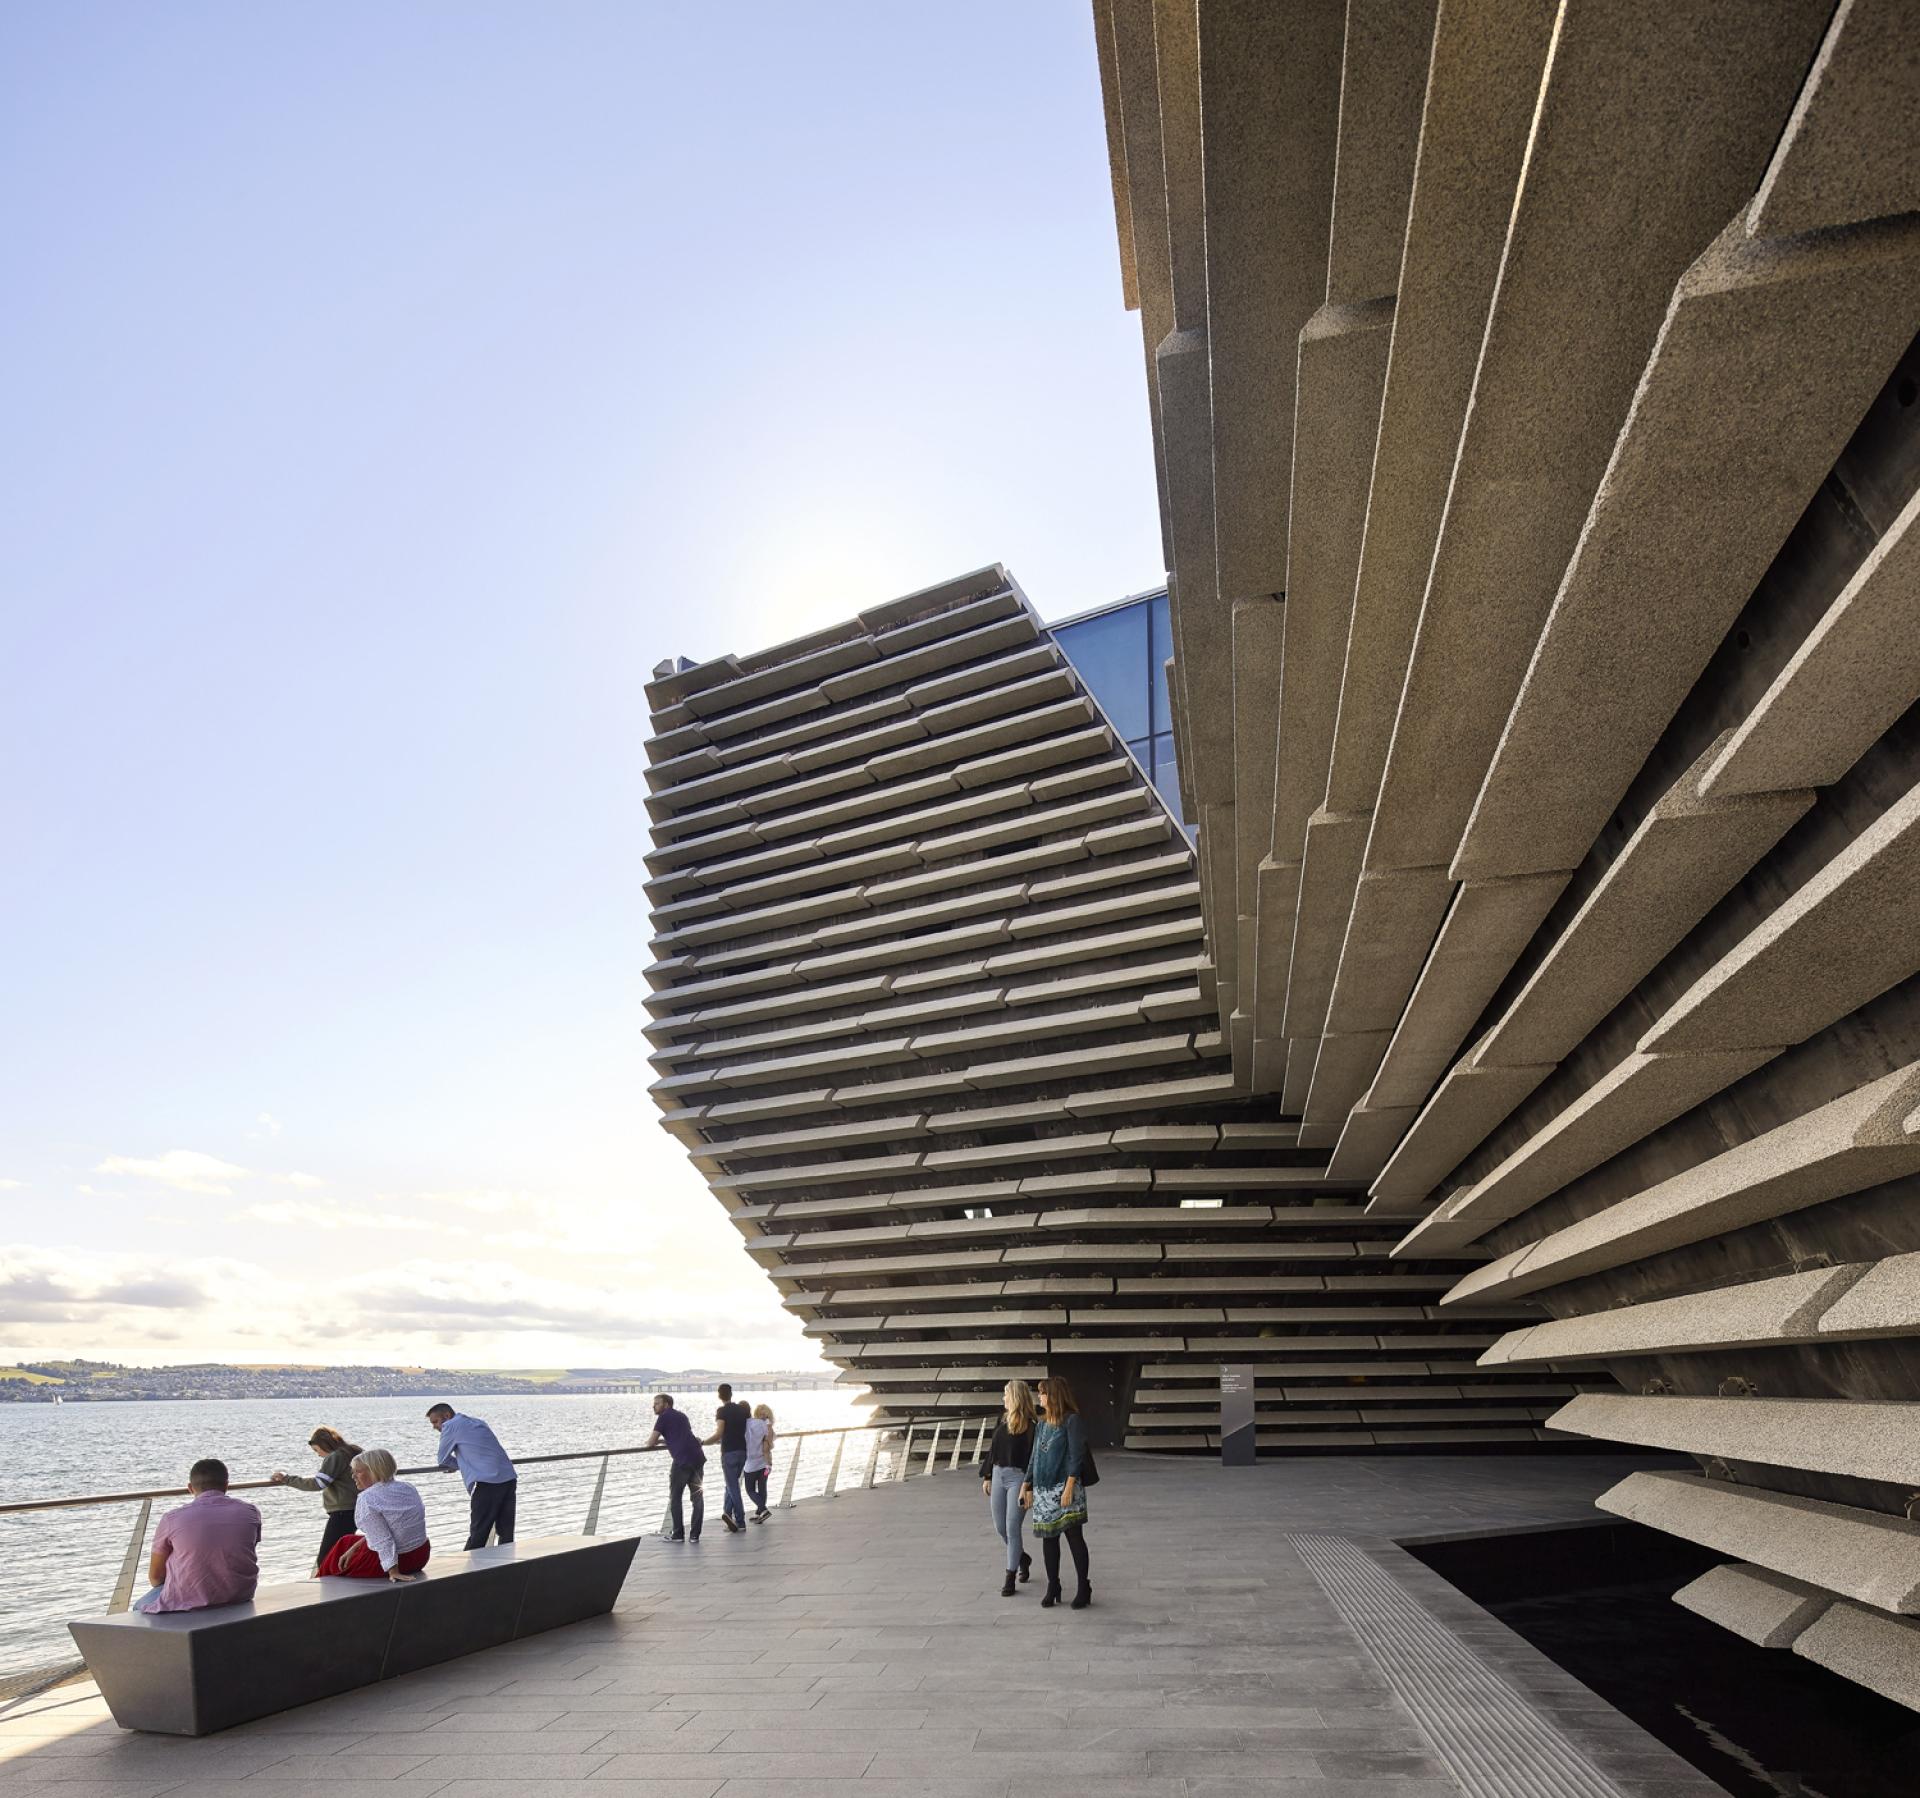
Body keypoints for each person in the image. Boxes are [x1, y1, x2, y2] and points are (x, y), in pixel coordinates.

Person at [132, 1458, 261, 1613]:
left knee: (138, 1608)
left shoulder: (172, 1519)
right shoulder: (250, 1512)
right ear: (226, 1485)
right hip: (240, 1595)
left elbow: (156, 1577)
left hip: (189, 1601)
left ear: (190, 1488)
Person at [1021, 1375, 1091, 1610]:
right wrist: (1026, 1485)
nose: (1039, 1397)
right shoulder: (1041, 1424)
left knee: (1074, 1537)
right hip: (1043, 1491)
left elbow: (1076, 1455)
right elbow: (1034, 1457)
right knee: (1049, 1539)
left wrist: (1069, 1486)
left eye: (1042, 1393)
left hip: (1066, 1489)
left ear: (1053, 1396)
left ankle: (1083, 1587)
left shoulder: (1071, 1420)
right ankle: (1053, 1585)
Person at [315, 1448, 430, 1580]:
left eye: (358, 1471)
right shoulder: (408, 1487)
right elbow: (395, 1529)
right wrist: (354, 1548)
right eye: (353, 1472)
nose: (353, 1476)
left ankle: (321, 1583)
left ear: (375, 1471)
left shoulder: (368, 1498)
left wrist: (393, 1572)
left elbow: (383, 1539)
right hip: (420, 1555)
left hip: (399, 1561)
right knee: (346, 1541)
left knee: (334, 1564)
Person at [426, 1402, 517, 1550]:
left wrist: (459, 1465)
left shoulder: (450, 1426)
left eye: (435, 1422)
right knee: (506, 1533)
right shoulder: (477, 1422)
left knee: (478, 1533)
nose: (434, 1427)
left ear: (447, 1416)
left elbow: (443, 1459)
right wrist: (465, 1464)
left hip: (488, 1483)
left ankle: (468, 1565)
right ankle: (507, 1563)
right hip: (508, 1477)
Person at [270, 1426, 362, 1571]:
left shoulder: (335, 1457)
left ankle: (330, 1581)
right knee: (343, 1551)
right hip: (360, 1506)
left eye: (316, 1450)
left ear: (324, 1445)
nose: (318, 1455)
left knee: (326, 1556)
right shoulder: (354, 1451)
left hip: (343, 1511)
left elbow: (318, 1483)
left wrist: (287, 1479)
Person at [978, 1379, 1035, 1596]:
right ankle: (1022, 1558)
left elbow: (1033, 1459)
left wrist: (1029, 1486)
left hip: (1018, 1479)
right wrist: (987, 1476)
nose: (1003, 1398)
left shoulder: (1031, 1426)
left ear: (1015, 1397)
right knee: (1000, 1528)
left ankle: (1010, 1577)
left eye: (1006, 1394)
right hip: (998, 1475)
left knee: (1012, 1528)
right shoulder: (1002, 1420)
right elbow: (993, 1450)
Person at [643, 1392, 705, 1542]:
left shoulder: (663, 1417)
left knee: (675, 1498)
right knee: (697, 1498)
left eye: (657, 1403)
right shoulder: (682, 1416)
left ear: (666, 1404)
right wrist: (666, 1441)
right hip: (697, 1457)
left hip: (682, 1461)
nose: (653, 1406)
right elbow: (682, 1436)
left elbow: (650, 1442)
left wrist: (652, 1442)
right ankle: (694, 1535)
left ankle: (678, 1534)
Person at [705, 1382, 752, 1534]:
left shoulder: (722, 1411)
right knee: (730, 1485)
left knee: (733, 1487)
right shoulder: (742, 1410)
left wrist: (704, 1442)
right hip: (742, 1451)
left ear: (719, 1395)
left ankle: (740, 1521)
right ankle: (728, 1516)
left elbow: (719, 1433)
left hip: (729, 1452)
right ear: (731, 1394)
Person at [743, 1403, 776, 1523]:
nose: (763, 1417)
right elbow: (771, 1442)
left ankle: (763, 1509)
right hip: (766, 1465)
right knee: (762, 1488)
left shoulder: (747, 1424)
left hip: (751, 1465)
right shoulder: (766, 1426)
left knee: (750, 1490)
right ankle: (759, 1514)